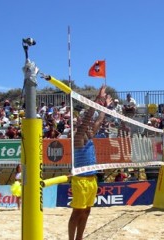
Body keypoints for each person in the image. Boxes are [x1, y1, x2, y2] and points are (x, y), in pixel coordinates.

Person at [68, 85, 111, 240]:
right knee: (77, 212)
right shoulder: (78, 137)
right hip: (80, 180)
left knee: (87, 211)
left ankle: (79, 238)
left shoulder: (90, 135)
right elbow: (88, 118)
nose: (93, 128)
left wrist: (104, 107)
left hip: (92, 179)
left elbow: (99, 120)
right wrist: (97, 99)